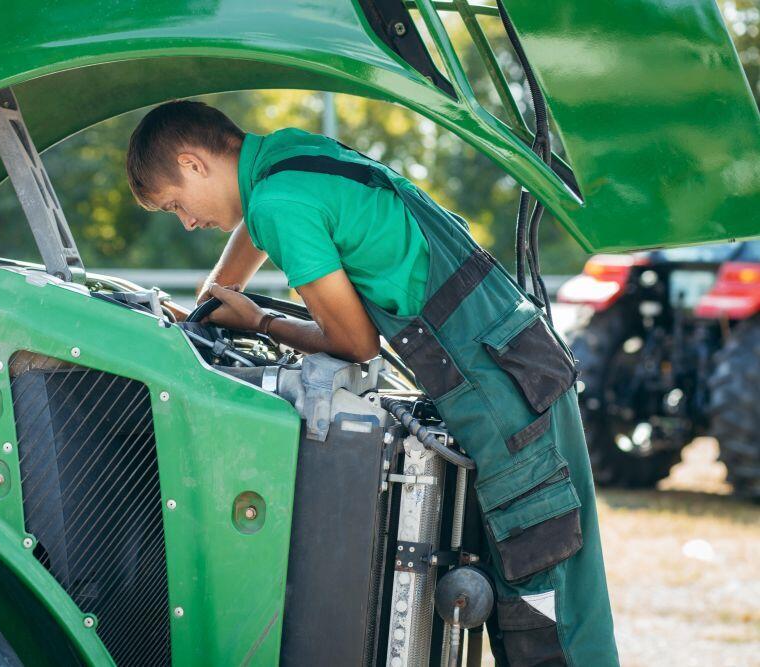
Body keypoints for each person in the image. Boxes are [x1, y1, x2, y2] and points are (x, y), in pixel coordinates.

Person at [126, 99, 619, 666]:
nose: (188, 222)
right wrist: (208, 305)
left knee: (544, 604)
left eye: (176, 205)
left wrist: (259, 321)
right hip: (521, 364)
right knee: (563, 589)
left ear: (193, 164)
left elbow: (355, 342)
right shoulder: (289, 155)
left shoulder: (277, 202)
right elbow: (255, 234)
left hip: (497, 394)